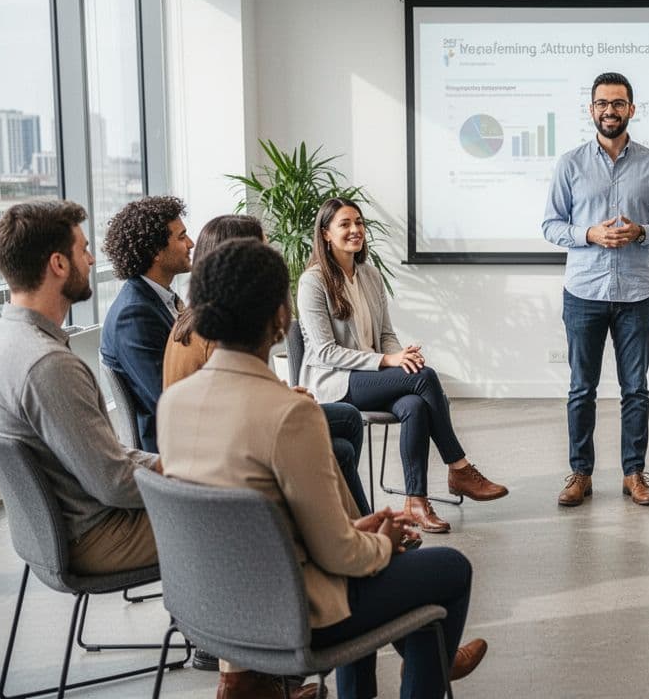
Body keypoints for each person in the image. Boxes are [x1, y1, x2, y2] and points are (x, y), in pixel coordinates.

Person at [158, 238, 485, 699]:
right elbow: (341, 557)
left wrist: (364, 534)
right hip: (293, 616)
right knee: (449, 567)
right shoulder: (290, 414)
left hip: (211, 610)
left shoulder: (173, 404)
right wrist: (381, 543)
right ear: (279, 317)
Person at [0, 200, 160, 576]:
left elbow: (105, 459)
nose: (91, 261)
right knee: (255, 508)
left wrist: (172, 466)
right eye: (84, 249)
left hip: (58, 533)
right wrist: (194, 480)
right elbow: (115, 484)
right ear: (58, 264)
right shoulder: (47, 365)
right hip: (99, 536)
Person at [297, 198, 507, 534]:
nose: (355, 230)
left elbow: (386, 334)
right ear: (325, 234)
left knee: (414, 404)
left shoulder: (370, 275)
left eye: (359, 222)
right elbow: (325, 352)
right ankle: (459, 467)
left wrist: (401, 357)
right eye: (345, 224)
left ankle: (416, 502)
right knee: (425, 379)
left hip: (373, 375)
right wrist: (387, 361)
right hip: (336, 381)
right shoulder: (313, 282)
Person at [163, 213, 373, 516]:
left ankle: (355, 520)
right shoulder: (216, 332)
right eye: (264, 247)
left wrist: (283, 394)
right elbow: (234, 407)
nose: (271, 254)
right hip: (228, 448)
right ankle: (357, 524)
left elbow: (234, 390)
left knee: (346, 424)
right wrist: (287, 402)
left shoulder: (193, 320)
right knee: (340, 441)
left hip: (218, 437)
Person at [542, 71, 649, 508]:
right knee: (581, 388)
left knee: (635, 388)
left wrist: (643, 232)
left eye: (618, 103)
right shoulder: (570, 164)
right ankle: (580, 474)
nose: (609, 110)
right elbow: (550, 225)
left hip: (636, 294)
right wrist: (589, 235)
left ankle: (633, 474)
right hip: (583, 292)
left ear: (631, 110)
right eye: (602, 103)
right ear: (591, 109)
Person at [100, 196, 194, 454]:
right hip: (171, 451)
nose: (191, 243)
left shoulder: (160, 299)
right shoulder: (133, 315)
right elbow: (169, 398)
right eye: (181, 237)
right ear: (155, 251)